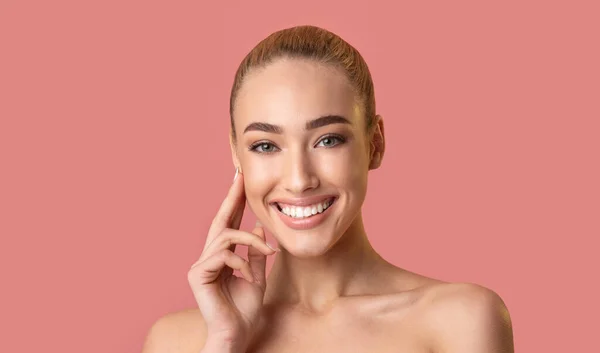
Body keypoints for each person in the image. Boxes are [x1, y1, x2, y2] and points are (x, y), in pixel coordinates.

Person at [142, 25, 514, 353]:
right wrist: (223, 342)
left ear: (375, 143)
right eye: (266, 146)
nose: (300, 179)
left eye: (328, 140)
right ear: (236, 153)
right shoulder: (178, 341)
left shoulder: (460, 320)